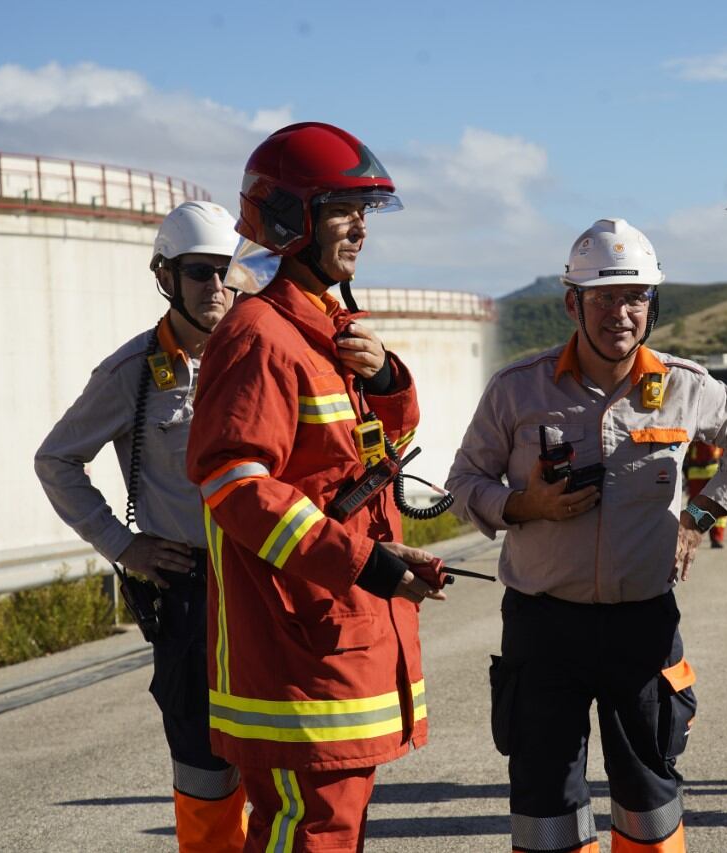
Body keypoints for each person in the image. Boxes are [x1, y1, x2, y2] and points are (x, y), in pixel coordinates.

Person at [446, 218, 727, 853]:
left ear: (652, 305)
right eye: (604, 297)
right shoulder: (517, 390)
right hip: (542, 625)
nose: (621, 313)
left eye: (635, 297)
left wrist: (700, 517)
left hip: (643, 623)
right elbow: (464, 480)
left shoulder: (688, 387)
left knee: (650, 793)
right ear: (573, 304)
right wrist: (521, 504)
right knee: (545, 796)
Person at [185, 122, 445, 853]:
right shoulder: (260, 336)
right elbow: (236, 487)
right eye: (340, 208)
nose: (360, 226)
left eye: (364, 210)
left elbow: (367, 462)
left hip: (339, 635)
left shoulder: (330, 330)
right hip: (300, 649)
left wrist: (388, 380)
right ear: (291, 219)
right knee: (314, 832)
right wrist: (360, 562)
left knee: (333, 830)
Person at [34, 200, 247, 851]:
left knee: (280, 763)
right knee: (205, 766)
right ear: (165, 276)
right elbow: (56, 459)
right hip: (189, 597)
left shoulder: (261, 361)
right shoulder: (133, 375)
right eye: (198, 272)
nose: (215, 287)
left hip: (264, 589)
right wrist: (123, 545)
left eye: (224, 271)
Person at [683, 440, 727, 548]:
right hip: (703, 471)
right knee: (718, 505)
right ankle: (713, 537)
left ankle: (696, 535)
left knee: (697, 506)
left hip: (704, 471)